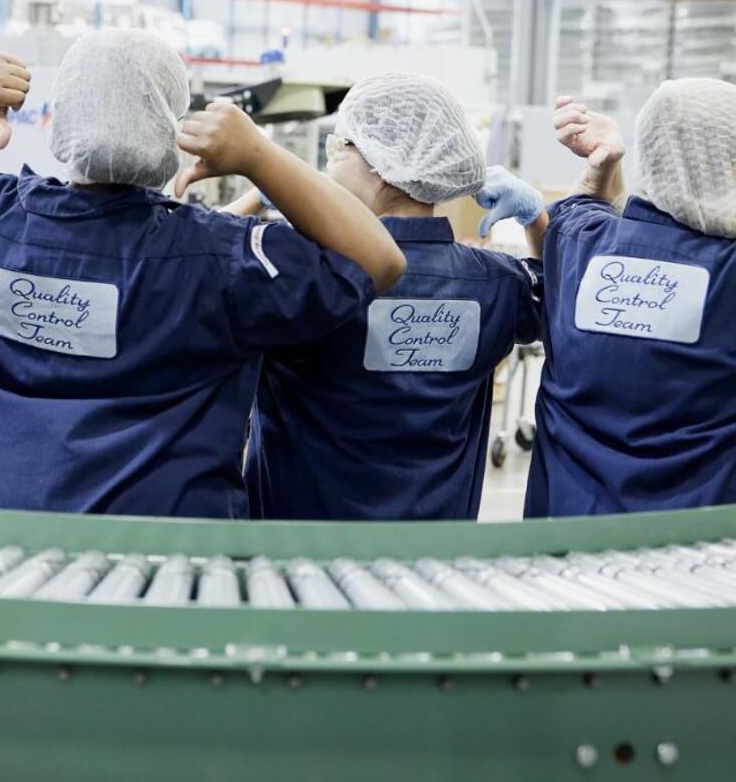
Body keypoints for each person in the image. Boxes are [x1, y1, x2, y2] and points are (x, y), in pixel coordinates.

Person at [0, 30, 404, 517]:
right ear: (172, 125)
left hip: (5, 566)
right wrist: (260, 157)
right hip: (165, 582)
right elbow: (377, 258)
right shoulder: (223, 258)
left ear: (62, 115)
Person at [233, 72, 546, 520]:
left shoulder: (298, 271)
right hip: (427, 566)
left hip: (294, 560)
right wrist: (536, 218)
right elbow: (556, 293)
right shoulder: (494, 285)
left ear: (380, 167)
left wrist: (260, 194)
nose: (329, 164)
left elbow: (191, 270)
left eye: (340, 148)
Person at [524, 81, 736, 516]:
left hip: (561, 536)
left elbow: (583, 206)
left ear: (650, 153)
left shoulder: (578, 242)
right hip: (695, 549)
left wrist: (603, 163)